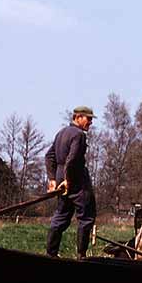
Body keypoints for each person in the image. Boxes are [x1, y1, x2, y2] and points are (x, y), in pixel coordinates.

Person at [45, 106, 97, 259]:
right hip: (76, 179)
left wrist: (53, 179)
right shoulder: (79, 135)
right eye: (88, 119)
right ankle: (81, 256)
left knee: (61, 215)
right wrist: (68, 179)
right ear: (78, 117)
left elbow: (49, 156)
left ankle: (50, 254)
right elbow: (72, 159)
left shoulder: (61, 133)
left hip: (62, 178)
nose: (91, 122)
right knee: (86, 216)